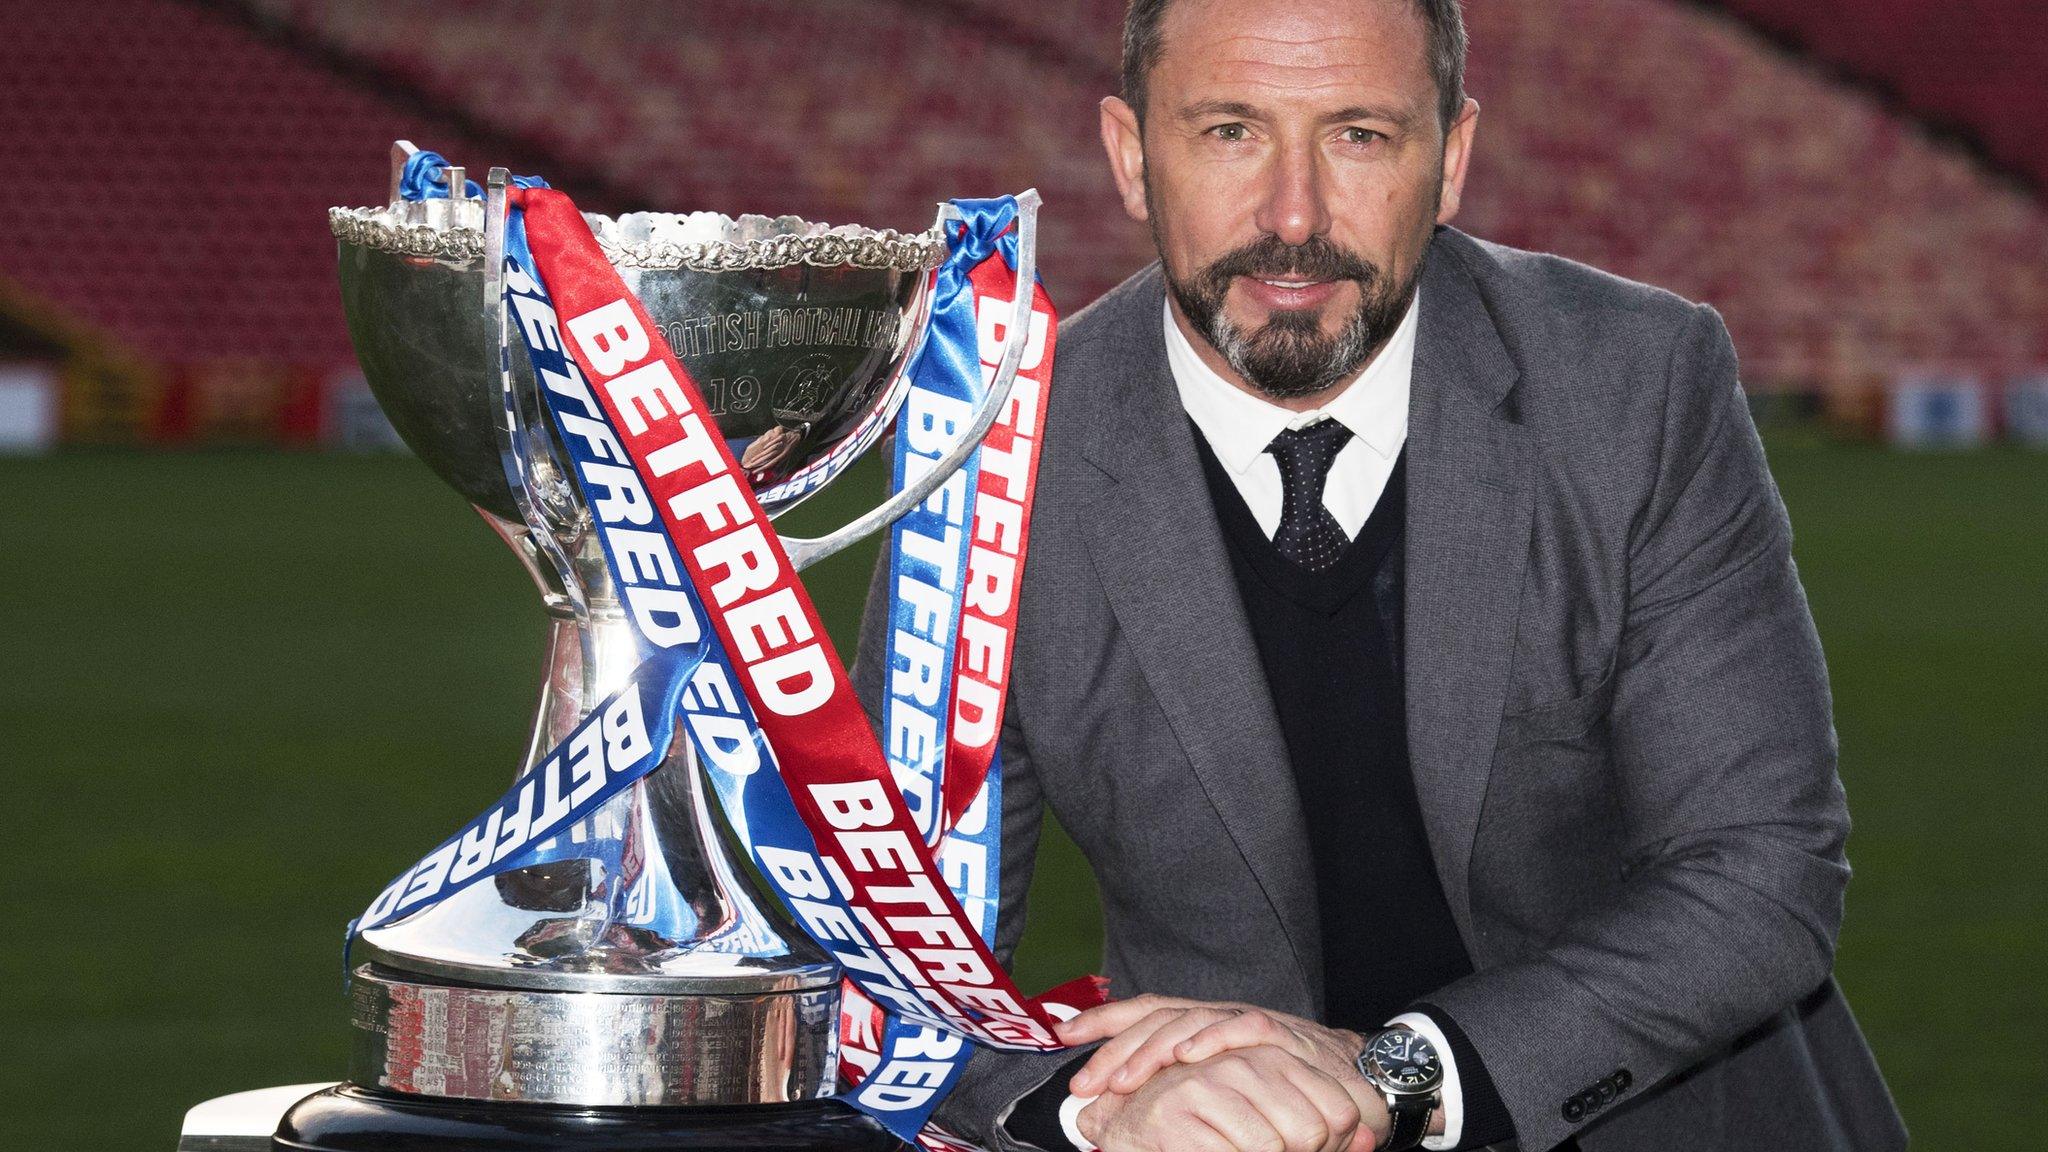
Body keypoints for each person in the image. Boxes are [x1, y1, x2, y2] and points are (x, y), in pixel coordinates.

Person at [853, 1, 1907, 1149]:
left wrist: (1399, 1072)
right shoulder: (991, 456)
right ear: (1128, 156)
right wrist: (1096, 1110)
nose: (1292, 217)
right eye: (1228, 133)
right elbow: (892, 958)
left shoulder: (1634, 385)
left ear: (1448, 161)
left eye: (1357, 135)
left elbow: (1757, 871)